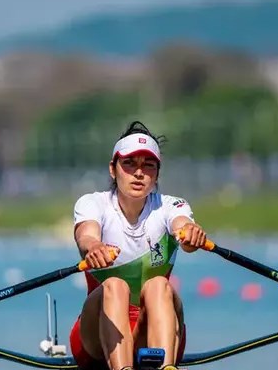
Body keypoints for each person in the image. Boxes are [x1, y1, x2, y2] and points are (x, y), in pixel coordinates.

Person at [69, 121, 208, 370]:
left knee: (158, 285)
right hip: (96, 337)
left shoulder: (171, 206)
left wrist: (190, 234)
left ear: (157, 173)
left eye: (148, 165)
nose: (139, 173)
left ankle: (165, 367)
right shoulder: (92, 203)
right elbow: (86, 237)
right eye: (129, 163)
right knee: (114, 285)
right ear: (113, 169)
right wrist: (94, 248)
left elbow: (182, 228)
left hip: (155, 329)